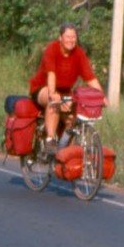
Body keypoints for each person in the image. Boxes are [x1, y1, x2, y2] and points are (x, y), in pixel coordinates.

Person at [28, 23, 104, 154]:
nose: (71, 40)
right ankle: (50, 140)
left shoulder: (78, 53)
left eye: (73, 37)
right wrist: (52, 93)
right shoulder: (52, 49)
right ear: (60, 38)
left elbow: (90, 78)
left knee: (73, 119)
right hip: (43, 88)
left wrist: (101, 97)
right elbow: (51, 74)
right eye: (67, 37)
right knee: (54, 101)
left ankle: (64, 150)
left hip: (65, 92)